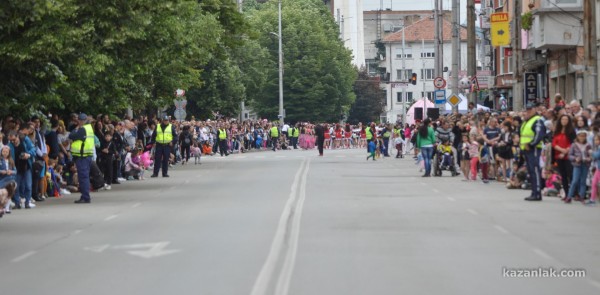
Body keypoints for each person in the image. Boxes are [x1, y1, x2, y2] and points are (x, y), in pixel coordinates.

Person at [520, 103, 546, 201]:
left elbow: (539, 135)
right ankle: (534, 192)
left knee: (535, 170)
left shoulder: (537, 120)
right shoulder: (526, 121)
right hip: (526, 150)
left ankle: (537, 193)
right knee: (531, 171)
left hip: (533, 149)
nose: (528, 111)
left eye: (530, 109)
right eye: (527, 110)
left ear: (535, 109)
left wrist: (531, 145)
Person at [69, 113, 95, 203]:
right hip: (86, 156)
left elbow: (71, 136)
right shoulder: (89, 128)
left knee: (83, 177)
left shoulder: (82, 129)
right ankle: (85, 196)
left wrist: (76, 128)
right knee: (85, 177)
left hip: (82, 156)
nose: (79, 122)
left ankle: (85, 197)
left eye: (80, 120)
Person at [564, 130, 592, 203]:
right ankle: (569, 196)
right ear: (577, 136)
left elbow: (591, 156)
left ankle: (581, 196)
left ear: (586, 137)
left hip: (585, 164)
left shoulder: (588, 145)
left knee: (583, 181)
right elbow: (569, 155)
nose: (582, 137)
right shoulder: (574, 144)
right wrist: (575, 158)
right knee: (575, 181)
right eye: (580, 136)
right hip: (577, 164)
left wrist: (589, 158)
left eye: (583, 136)